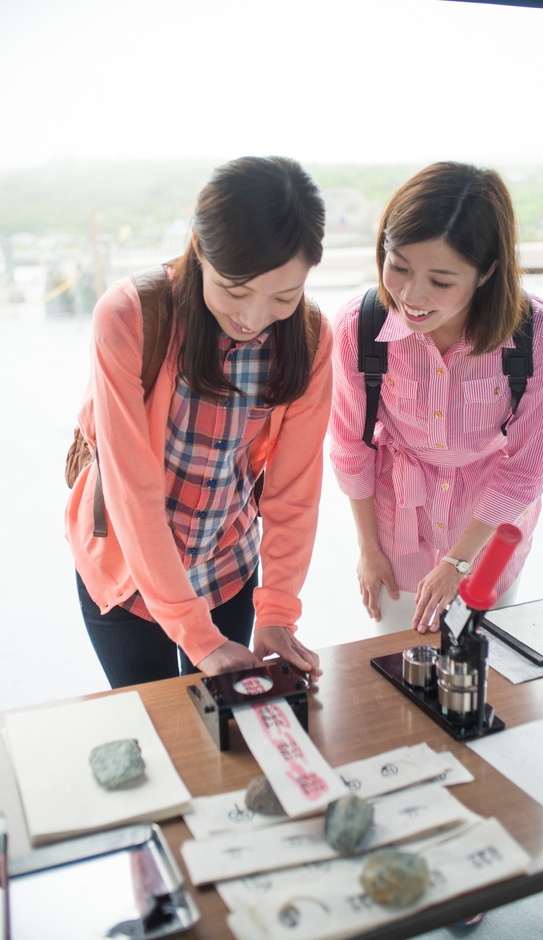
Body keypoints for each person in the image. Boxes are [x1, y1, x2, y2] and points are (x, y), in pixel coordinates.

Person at [66, 156, 331, 687]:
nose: (254, 319)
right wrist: (198, 636)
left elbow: (293, 493)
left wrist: (277, 613)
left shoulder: (307, 339)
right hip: (126, 572)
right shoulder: (129, 317)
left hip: (226, 563)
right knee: (157, 727)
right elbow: (132, 491)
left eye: (284, 296)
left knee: (228, 739)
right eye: (234, 291)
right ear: (200, 248)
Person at [330, 162, 543, 635]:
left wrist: (459, 562)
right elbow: (350, 450)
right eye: (397, 266)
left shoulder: (540, 337)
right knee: (399, 668)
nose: (411, 296)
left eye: (440, 281)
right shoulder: (358, 328)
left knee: (486, 668)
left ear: (486, 273)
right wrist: (368, 550)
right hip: (397, 528)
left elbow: (524, 469)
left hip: (488, 533)